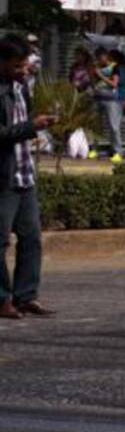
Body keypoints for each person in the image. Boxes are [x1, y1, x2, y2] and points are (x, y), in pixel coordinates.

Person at [0, 38, 58, 320]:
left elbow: (22, 123)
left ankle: (26, 296)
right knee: (0, 240)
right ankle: (2, 299)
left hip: (25, 174)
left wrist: (36, 125)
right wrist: (29, 128)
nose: (24, 70)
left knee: (32, 237)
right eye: (17, 65)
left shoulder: (21, 87)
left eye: (26, 65)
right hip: (4, 177)